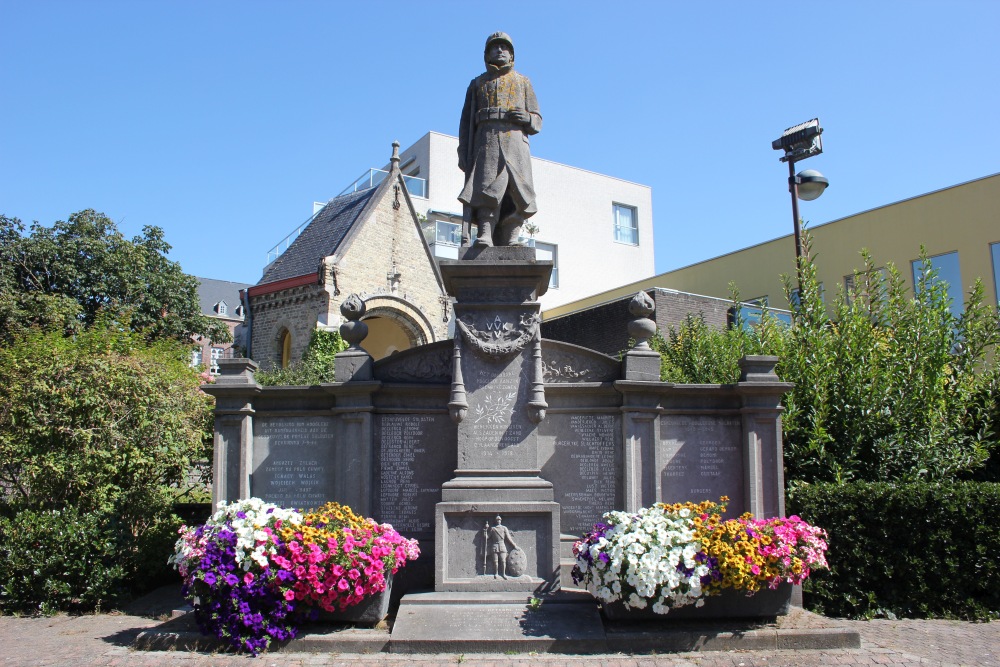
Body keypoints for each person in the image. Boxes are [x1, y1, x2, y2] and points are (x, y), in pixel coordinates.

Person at [458, 32, 542, 248]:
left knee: (517, 191)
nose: (500, 51)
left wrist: (528, 118)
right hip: (486, 141)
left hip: (515, 143)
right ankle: (485, 233)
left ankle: (512, 236)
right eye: (494, 48)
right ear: (486, 55)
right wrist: (463, 151)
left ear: (512, 55)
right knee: (486, 188)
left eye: (504, 48)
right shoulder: (477, 84)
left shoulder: (523, 82)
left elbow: (537, 119)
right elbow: (466, 122)